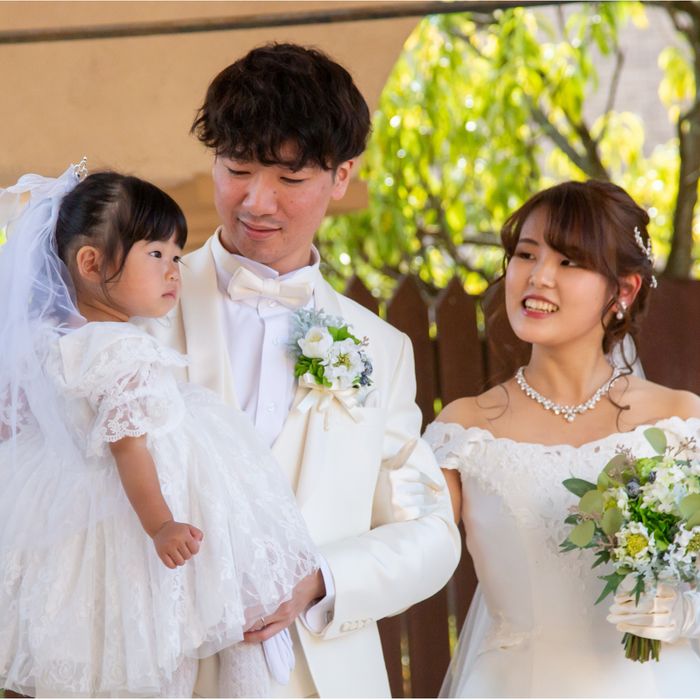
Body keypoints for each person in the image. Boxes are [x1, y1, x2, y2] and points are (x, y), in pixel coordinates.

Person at [148, 43, 461, 697]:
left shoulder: (381, 349)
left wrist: (322, 579)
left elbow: (430, 530)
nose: (256, 201)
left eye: (289, 181)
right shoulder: (136, 315)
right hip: (162, 670)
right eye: (237, 168)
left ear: (342, 176)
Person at [0, 163, 320, 698]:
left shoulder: (47, 340)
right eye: (155, 255)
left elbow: (13, 422)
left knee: (89, 640)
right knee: (151, 647)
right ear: (91, 263)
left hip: (69, 511)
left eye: (176, 256)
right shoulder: (124, 350)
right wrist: (162, 525)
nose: (174, 271)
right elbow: (130, 449)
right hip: (132, 519)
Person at [424, 179, 700, 697]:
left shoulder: (681, 421)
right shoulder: (464, 431)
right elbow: (408, 555)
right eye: (526, 254)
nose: (538, 276)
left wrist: (685, 612)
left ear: (623, 291)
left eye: (569, 261)